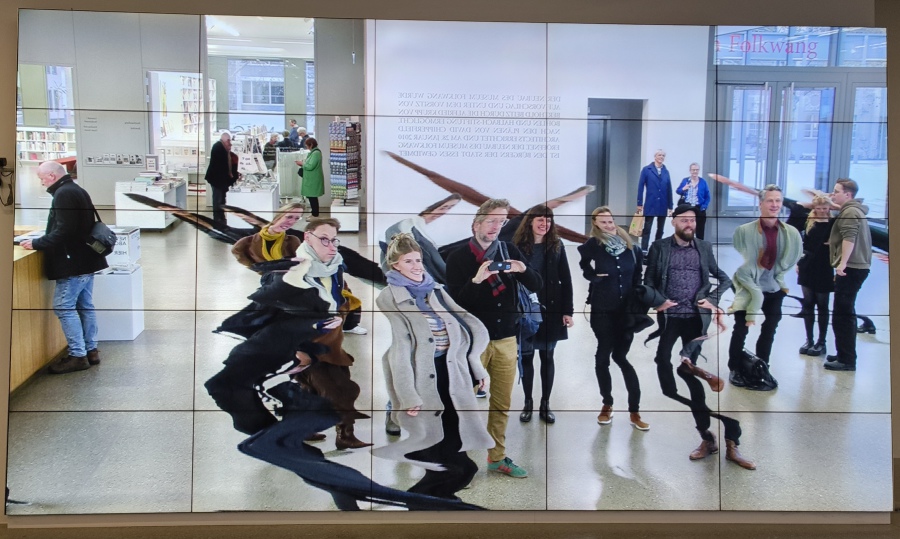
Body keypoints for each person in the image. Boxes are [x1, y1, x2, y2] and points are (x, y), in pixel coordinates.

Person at [207, 217, 372, 449]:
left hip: (329, 341)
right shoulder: (290, 270)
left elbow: (337, 298)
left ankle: (305, 429)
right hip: (304, 344)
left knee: (311, 387)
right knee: (340, 389)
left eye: (334, 240)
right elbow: (271, 310)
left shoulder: (334, 266)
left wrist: (340, 312)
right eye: (324, 239)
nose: (331, 246)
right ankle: (343, 435)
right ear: (308, 238)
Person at [373, 233, 494, 499]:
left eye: (418, 260)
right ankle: (433, 489)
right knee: (432, 432)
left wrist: (476, 366)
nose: (417, 266)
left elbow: (466, 324)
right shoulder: (389, 297)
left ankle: (447, 482)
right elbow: (401, 347)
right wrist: (408, 395)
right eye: (408, 261)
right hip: (421, 374)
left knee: (455, 424)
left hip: (452, 368)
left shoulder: (435, 289)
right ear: (395, 265)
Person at [644, 205, 755, 470]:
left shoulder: (703, 247)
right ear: (674, 222)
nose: (689, 224)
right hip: (671, 318)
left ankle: (711, 438)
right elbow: (648, 283)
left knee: (688, 373)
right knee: (664, 369)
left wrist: (712, 300)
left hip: (696, 319)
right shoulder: (659, 247)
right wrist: (658, 302)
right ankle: (715, 419)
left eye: (692, 220)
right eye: (684, 220)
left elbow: (724, 278)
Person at [445, 198, 542, 479]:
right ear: (476, 224)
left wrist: (522, 270)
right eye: (491, 221)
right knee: (462, 403)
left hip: (507, 339)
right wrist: (477, 279)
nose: (496, 227)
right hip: (472, 343)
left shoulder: (509, 251)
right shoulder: (458, 257)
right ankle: (457, 461)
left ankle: (496, 457)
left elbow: (537, 284)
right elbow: (456, 305)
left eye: (501, 221)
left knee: (501, 403)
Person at [20, 161, 109, 374]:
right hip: (86, 260)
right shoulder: (76, 189)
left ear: (52, 176)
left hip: (72, 263)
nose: (41, 182)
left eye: (42, 178)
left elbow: (65, 231)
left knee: (63, 307)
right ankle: (91, 350)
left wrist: (37, 243)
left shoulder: (63, 194)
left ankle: (77, 355)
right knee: (85, 305)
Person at [577, 206, 648, 431]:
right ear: (595, 224)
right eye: (603, 222)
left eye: (610, 221)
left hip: (626, 312)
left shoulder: (631, 246)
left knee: (621, 357)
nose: (608, 225)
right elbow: (583, 264)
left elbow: (638, 275)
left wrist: (638, 299)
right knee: (602, 356)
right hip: (602, 309)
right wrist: (593, 277)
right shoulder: (593, 245)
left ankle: (634, 410)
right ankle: (607, 403)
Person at [727, 185, 802, 388]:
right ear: (761, 204)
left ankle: (762, 365)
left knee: (770, 328)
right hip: (748, 288)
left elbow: (790, 258)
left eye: (778, 200)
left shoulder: (789, 233)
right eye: (770, 200)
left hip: (774, 288)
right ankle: (735, 367)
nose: (774, 204)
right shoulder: (744, 231)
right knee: (741, 328)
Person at [511, 205, 573, 424]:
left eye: (548, 221)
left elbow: (566, 279)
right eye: (540, 220)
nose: (544, 224)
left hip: (551, 310)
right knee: (526, 357)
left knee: (547, 357)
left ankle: (545, 404)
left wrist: (567, 311)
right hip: (526, 310)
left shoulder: (556, 245)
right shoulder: (517, 246)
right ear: (530, 221)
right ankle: (527, 402)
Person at [825, 179, 872, 372]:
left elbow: (849, 238)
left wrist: (842, 264)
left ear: (848, 194)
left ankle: (847, 360)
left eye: (836, 191)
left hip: (851, 268)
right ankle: (844, 354)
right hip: (856, 267)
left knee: (842, 315)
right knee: (844, 313)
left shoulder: (850, 212)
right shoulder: (854, 209)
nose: (833, 194)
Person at [382, 194, 462, 284]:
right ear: (433, 206)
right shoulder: (410, 227)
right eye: (443, 207)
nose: (444, 212)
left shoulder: (421, 228)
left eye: (449, 208)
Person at [796, 196, 835, 357]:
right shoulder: (809, 221)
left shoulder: (834, 223)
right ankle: (809, 339)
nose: (822, 211)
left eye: (825, 208)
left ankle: (821, 341)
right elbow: (804, 244)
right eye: (819, 208)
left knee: (822, 305)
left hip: (824, 267)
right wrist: (799, 263)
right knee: (808, 304)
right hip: (808, 265)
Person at [231, 202, 304, 271]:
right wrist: (254, 267)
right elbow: (236, 251)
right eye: (289, 217)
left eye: (297, 218)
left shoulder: (292, 241)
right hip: (266, 276)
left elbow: (299, 262)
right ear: (279, 216)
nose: (292, 221)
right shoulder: (249, 241)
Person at [636, 149, 673, 253]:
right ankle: (644, 249)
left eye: (663, 155)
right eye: (659, 155)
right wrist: (639, 203)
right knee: (647, 227)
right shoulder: (647, 170)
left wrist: (670, 206)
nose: (661, 157)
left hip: (663, 203)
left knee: (660, 229)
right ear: (655, 156)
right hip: (651, 203)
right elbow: (640, 187)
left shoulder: (666, 171)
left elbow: (669, 189)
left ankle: (657, 248)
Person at [205, 131, 239, 225]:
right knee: (218, 200)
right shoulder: (218, 147)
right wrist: (231, 178)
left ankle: (221, 218)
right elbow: (223, 166)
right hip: (217, 180)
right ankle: (218, 220)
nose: (230, 143)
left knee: (221, 199)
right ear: (225, 140)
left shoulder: (221, 147)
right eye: (229, 141)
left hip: (219, 180)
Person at [674, 163, 711, 239]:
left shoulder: (703, 182)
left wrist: (704, 207)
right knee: (686, 229)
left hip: (699, 208)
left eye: (697, 170)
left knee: (700, 230)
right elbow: (678, 191)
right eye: (693, 170)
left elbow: (707, 196)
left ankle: (699, 245)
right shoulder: (685, 180)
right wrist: (683, 189)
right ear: (690, 171)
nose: (695, 171)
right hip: (687, 207)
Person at [296, 137, 324, 217]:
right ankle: (314, 214)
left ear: (311, 145)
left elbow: (310, 166)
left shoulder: (316, 153)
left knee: (313, 198)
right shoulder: (314, 153)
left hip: (313, 179)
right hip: (311, 178)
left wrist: (302, 164)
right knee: (312, 197)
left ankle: (314, 215)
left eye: (307, 145)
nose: (307, 147)